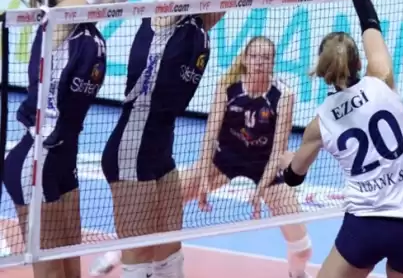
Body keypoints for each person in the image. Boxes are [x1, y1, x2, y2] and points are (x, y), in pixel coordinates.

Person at [2, 0, 219, 278]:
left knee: (72, 271)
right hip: (36, 159)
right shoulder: (57, 22)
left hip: (63, 160)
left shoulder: (87, 21)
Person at [99, 0, 292, 277]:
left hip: (161, 146)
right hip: (131, 145)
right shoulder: (164, 11)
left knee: (169, 248)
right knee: (137, 257)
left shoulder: (200, 21)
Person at [93, 37, 312, 278]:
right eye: (254, 56)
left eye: (266, 58)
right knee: (162, 203)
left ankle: (297, 274)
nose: (259, 62)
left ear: (273, 62)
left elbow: (278, 150)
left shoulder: (283, 95)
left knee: (302, 247)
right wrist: (204, 177)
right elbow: (210, 135)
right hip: (224, 159)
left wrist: (261, 189)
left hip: (264, 165)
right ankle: (118, 253)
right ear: (245, 59)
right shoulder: (227, 87)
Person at [280, 0, 403, 278]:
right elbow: (370, 22)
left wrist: (287, 163)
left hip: (364, 227)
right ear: (359, 62)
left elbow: (294, 178)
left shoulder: (320, 123)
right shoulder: (382, 81)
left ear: (322, 69)